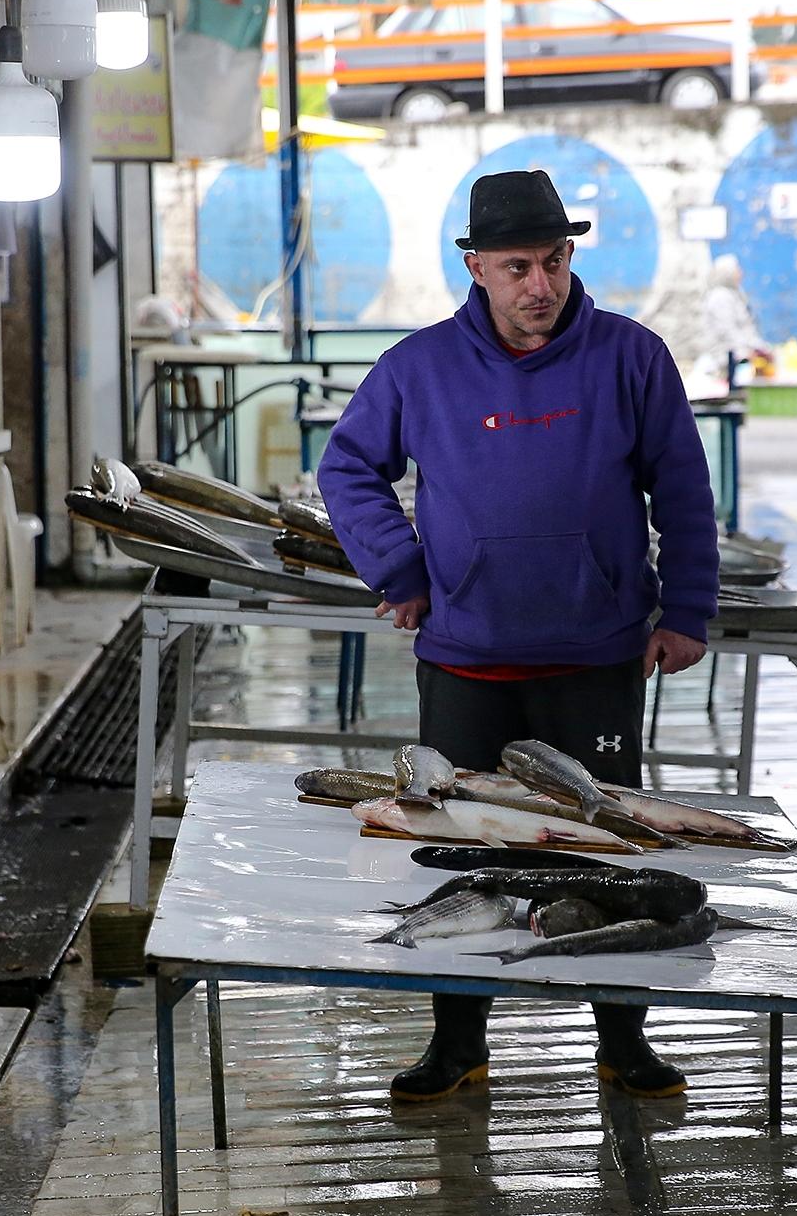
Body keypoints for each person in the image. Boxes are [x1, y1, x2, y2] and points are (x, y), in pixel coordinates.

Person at [318, 169, 721, 1103]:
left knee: (607, 850)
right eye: (517, 267)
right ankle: (456, 1042)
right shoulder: (418, 366)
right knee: (461, 849)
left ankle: (624, 1041)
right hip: (467, 658)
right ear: (476, 267)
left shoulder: (632, 357)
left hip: (596, 656)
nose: (540, 284)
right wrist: (401, 570)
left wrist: (687, 609)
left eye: (553, 261)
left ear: (569, 255)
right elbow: (347, 469)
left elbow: (683, 487)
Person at [696, 253, 770, 386]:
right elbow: (728, 331)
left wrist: (760, 348)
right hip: (725, 361)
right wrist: (749, 351)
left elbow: (746, 329)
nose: (741, 273)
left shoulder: (735, 294)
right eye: (737, 269)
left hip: (739, 356)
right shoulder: (719, 297)